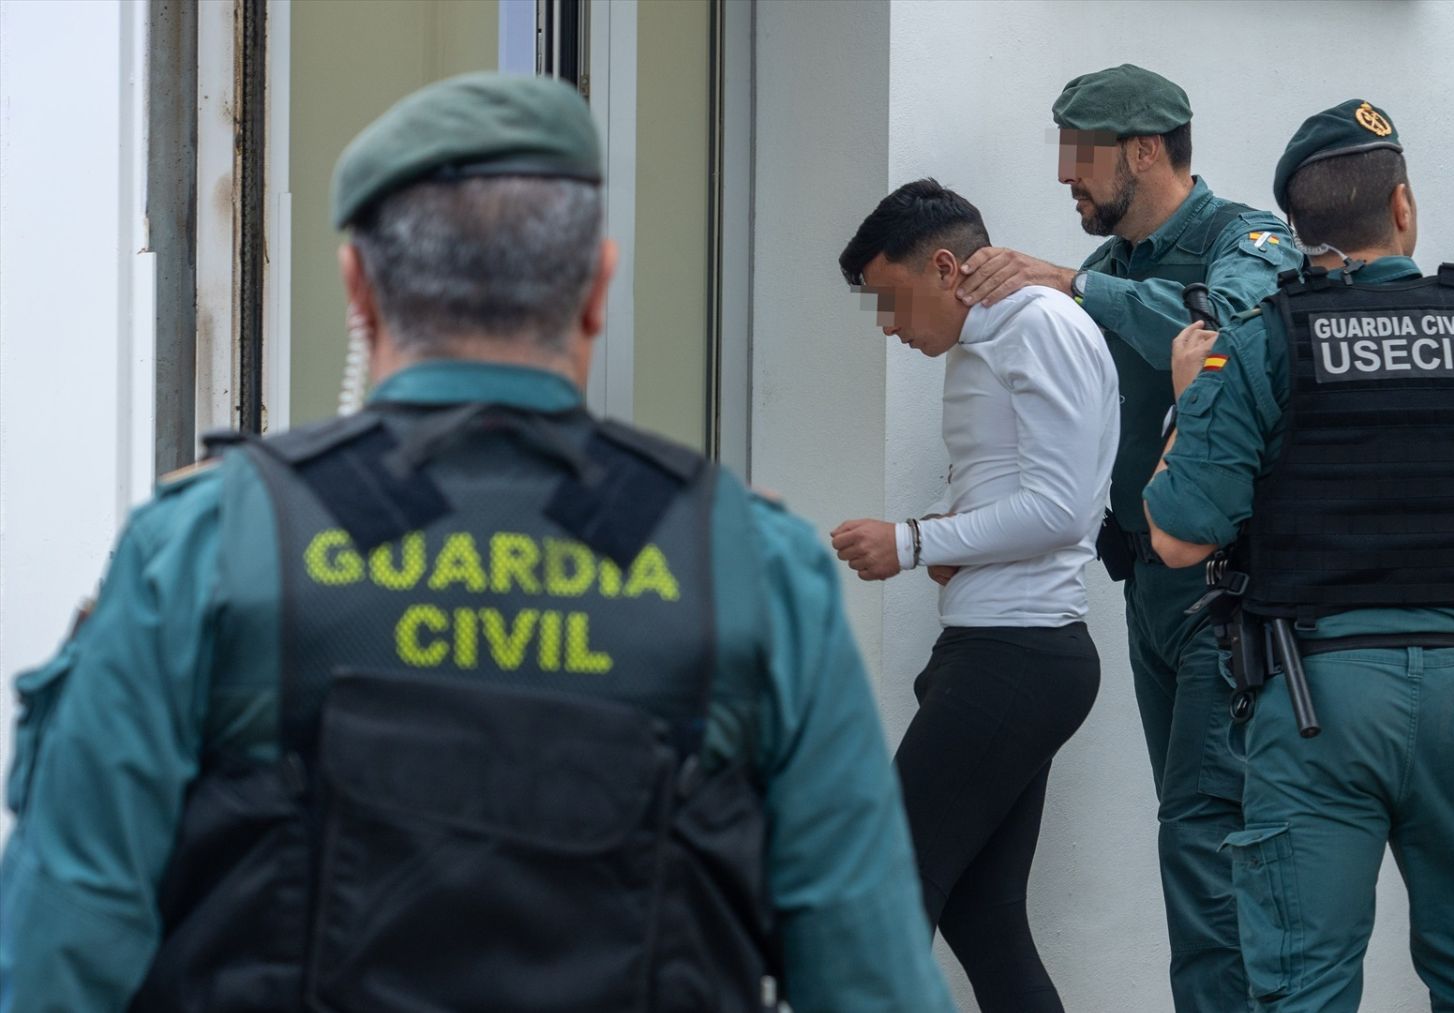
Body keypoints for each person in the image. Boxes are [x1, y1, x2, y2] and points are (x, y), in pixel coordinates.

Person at [0, 73, 953, 1013]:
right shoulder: (752, 568)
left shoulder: (204, 546)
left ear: (356, 286)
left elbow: (55, 960)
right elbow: (869, 979)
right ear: (598, 289)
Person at [1143, 99, 1454, 1011]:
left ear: (1296, 230)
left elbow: (1177, 535)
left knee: (1305, 987)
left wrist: (1182, 398)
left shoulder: (1263, 342)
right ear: (1401, 204)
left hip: (1316, 698)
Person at [948, 63, 1301, 1009]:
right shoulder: (1112, 273)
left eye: (1082, 154)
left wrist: (1064, 283)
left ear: (1144, 150)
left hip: (1233, 590)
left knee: (1208, 827)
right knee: (1191, 825)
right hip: (1150, 584)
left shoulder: (1245, 239)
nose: (1067, 175)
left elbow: (1235, 334)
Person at [829, 179, 1118, 1012]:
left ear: (946, 265)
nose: (888, 327)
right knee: (981, 915)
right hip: (1001, 647)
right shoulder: (992, 337)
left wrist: (914, 541)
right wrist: (953, 537)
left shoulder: (1039, 324)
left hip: (1017, 653)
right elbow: (1026, 492)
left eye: (889, 301)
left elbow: (1065, 510)